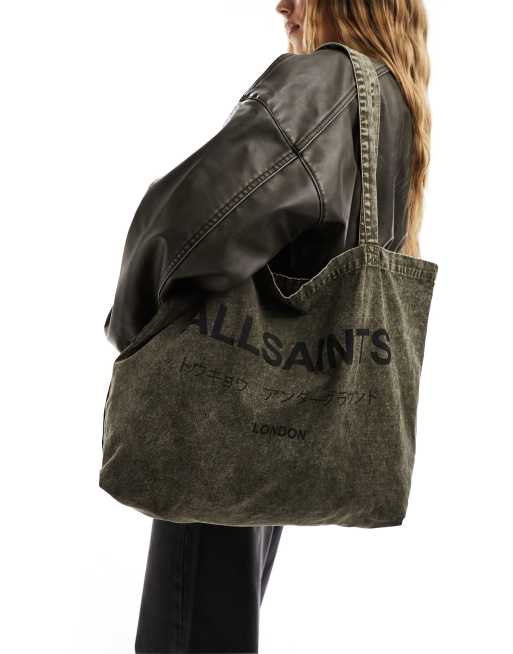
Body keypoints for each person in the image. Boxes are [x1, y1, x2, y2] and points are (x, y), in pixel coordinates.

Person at [102, 1, 431, 651]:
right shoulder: (392, 102)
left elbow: (187, 217)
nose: (282, 4)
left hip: (222, 398)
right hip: (279, 409)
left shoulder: (326, 84)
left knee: (189, 630)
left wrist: (134, 324)